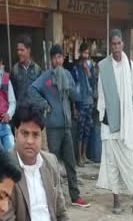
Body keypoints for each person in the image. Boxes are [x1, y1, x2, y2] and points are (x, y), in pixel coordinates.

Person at [29, 44, 90, 208]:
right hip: (53, 127)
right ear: (51, 60)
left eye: (60, 57)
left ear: (63, 58)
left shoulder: (68, 75)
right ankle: (54, 198)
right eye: (55, 57)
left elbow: (76, 97)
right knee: (52, 165)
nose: (58, 60)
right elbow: (32, 90)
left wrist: (72, 87)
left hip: (66, 127)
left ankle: (75, 196)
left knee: (71, 162)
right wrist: (44, 104)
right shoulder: (46, 77)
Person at [97, 29, 133, 216]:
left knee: (129, 163)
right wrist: (105, 115)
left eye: (119, 43)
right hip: (109, 124)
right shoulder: (104, 66)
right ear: (110, 46)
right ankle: (116, 200)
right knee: (112, 164)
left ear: (123, 44)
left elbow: (131, 90)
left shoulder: (130, 65)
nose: (116, 47)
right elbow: (101, 95)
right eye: (113, 44)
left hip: (125, 124)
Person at [72, 43, 96, 167]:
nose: (85, 55)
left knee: (87, 129)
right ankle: (78, 157)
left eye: (87, 53)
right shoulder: (75, 68)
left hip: (89, 102)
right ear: (80, 53)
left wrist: (88, 71)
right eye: (84, 53)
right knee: (80, 130)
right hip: (80, 103)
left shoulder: (91, 66)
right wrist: (74, 107)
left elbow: (93, 82)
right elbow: (73, 88)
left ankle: (84, 155)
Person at [10, 34, 42, 106]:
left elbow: (42, 92)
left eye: (22, 50)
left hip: (35, 113)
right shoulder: (14, 70)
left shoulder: (37, 70)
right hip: (20, 113)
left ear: (28, 50)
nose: (19, 53)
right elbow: (12, 95)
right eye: (18, 50)